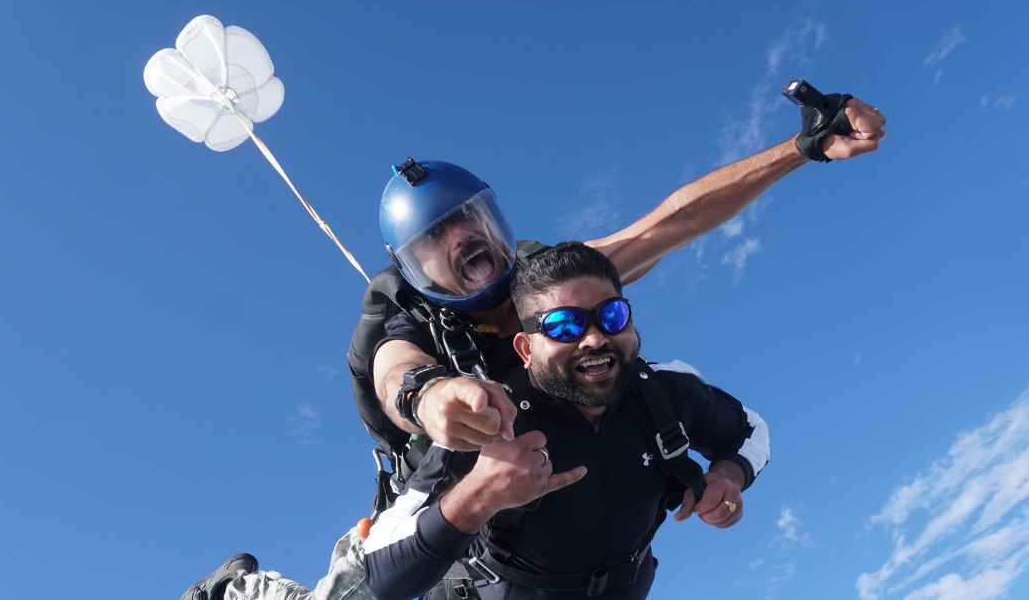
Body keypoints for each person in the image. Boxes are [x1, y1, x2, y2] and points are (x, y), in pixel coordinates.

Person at [182, 84, 878, 600]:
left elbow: (672, 223)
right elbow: (398, 372)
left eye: (471, 220)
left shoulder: (548, 287)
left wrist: (801, 148)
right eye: (435, 242)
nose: (466, 243)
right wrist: (437, 400)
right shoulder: (403, 312)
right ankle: (244, 590)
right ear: (413, 267)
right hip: (448, 485)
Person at [362, 242, 769, 600]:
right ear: (525, 349)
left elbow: (749, 429)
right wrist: (478, 496)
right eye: (564, 325)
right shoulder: (490, 421)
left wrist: (729, 476)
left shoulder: (665, 392)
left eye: (611, 316)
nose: (594, 338)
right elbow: (383, 576)